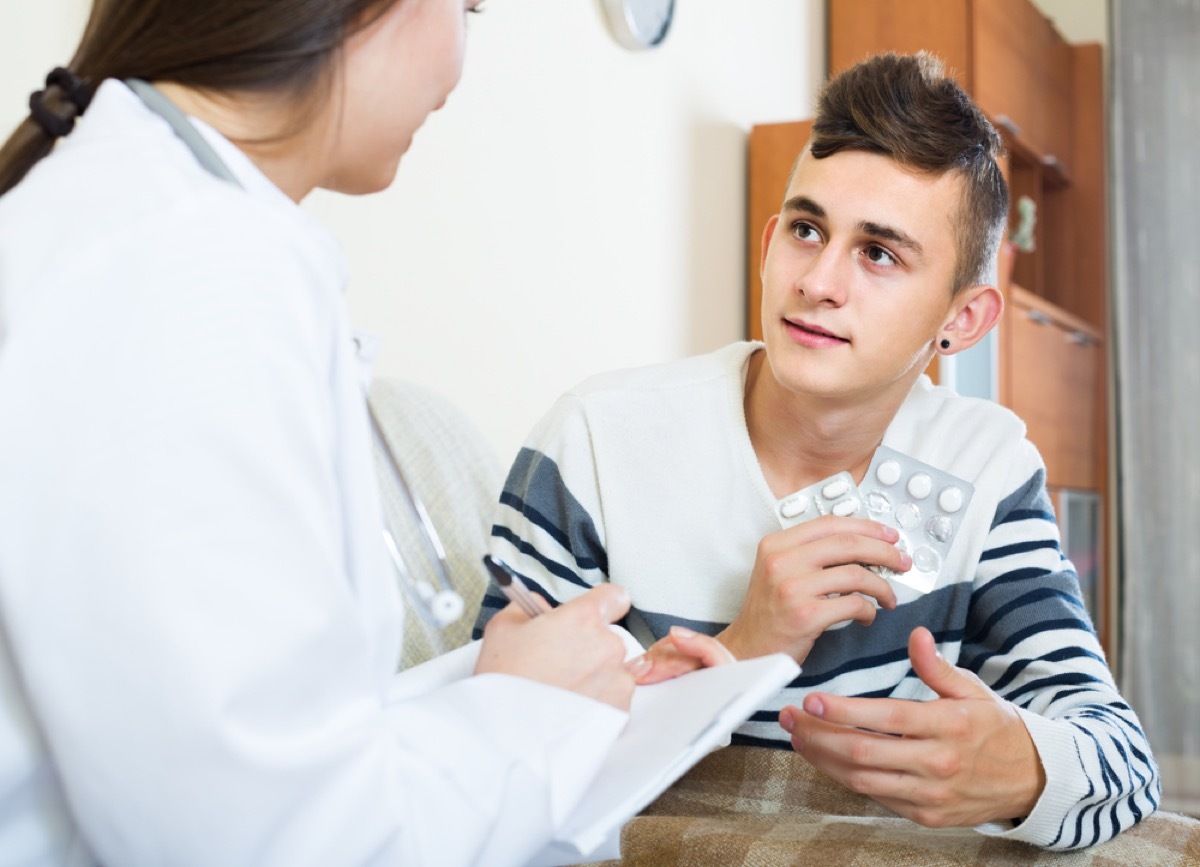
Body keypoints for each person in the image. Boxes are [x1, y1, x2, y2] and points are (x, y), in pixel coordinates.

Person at [0, 1, 732, 864]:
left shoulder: (139, 222)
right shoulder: (191, 276)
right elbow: (266, 839)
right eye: (467, 8)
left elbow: (248, 737)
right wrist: (531, 711)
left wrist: (506, 688)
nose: (461, 61)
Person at [473, 51, 1160, 850]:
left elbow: (1124, 765)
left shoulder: (986, 467)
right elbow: (486, 770)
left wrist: (1024, 768)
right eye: (807, 230)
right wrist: (743, 651)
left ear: (964, 320)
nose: (819, 281)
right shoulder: (594, 441)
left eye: (879, 253)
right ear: (770, 244)